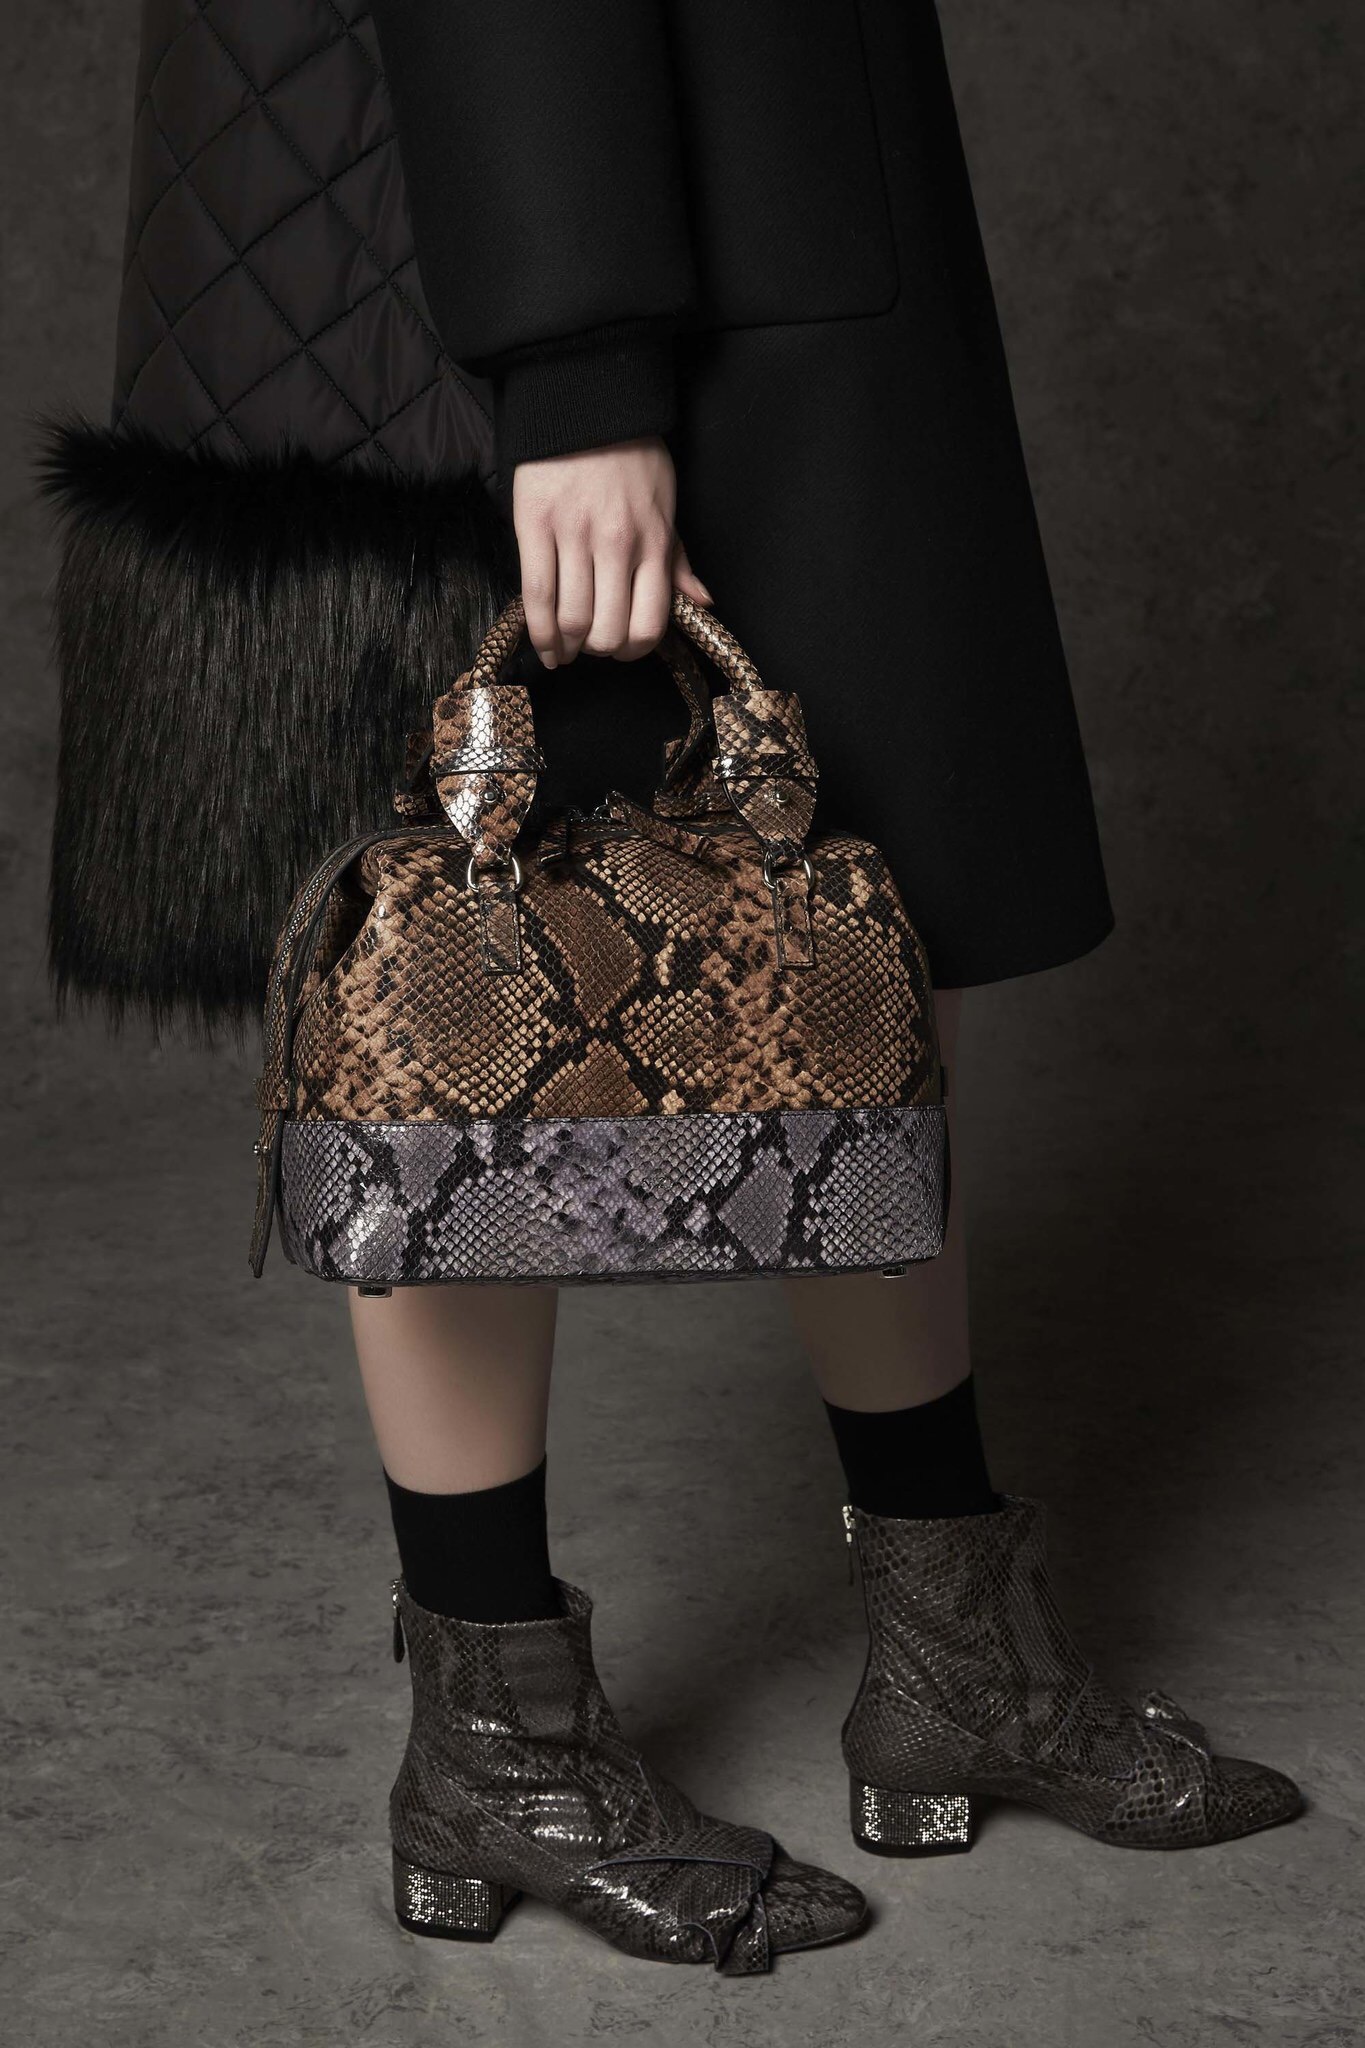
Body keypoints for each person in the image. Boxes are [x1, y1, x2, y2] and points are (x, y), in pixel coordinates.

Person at [42, 0, 1301, 1976]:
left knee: (831, 959)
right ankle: (503, 1753)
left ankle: (956, 1662)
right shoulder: (577, 322)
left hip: (716, 180)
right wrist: (572, 365)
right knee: (463, 1002)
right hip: (545, 210)